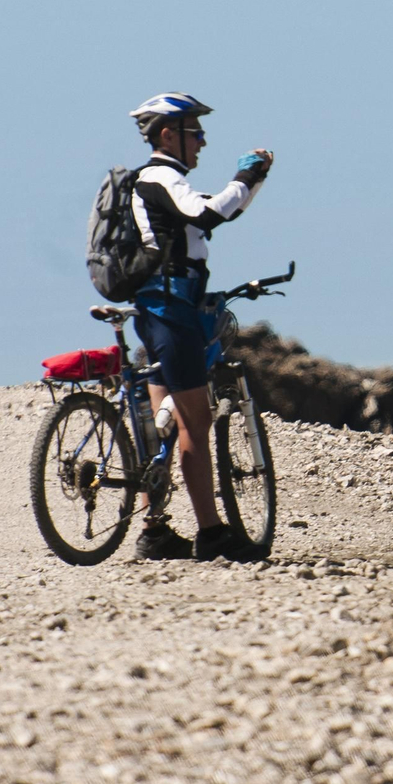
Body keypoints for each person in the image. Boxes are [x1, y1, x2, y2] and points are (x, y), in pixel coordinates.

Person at [125, 93, 274, 562]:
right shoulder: (161, 176)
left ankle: (154, 530)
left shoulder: (161, 184)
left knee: (162, 425)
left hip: (158, 308)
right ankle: (211, 532)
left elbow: (217, 210)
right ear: (169, 135)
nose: (203, 141)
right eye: (196, 131)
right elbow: (208, 213)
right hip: (173, 310)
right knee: (196, 420)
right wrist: (245, 174)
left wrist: (254, 182)